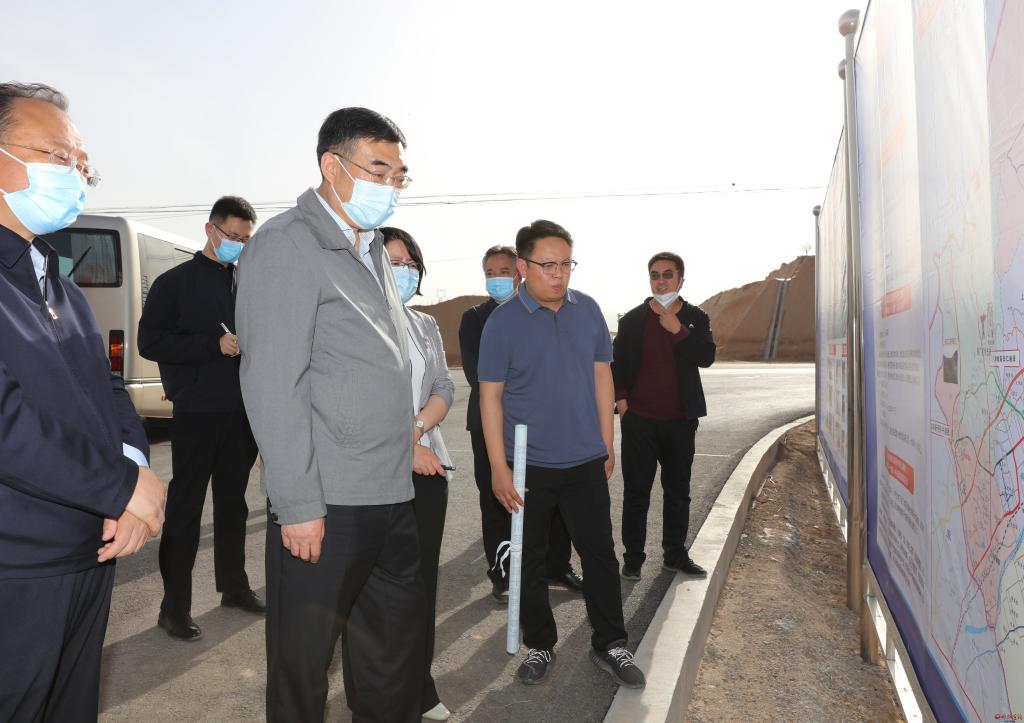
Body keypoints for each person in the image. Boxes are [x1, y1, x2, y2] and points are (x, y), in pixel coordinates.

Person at [236, 107, 425, 723]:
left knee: (389, 659)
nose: (389, 185)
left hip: (390, 494)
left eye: (398, 175)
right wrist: (297, 505)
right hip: (327, 502)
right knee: (304, 665)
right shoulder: (286, 244)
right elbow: (274, 383)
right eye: (379, 170)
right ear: (332, 166)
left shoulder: (372, 250)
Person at [0, 81, 166, 721]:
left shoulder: (60, 284)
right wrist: (118, 487)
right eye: (57, 156)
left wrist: (133, 478)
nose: (74, 175)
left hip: (89, 552)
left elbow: (107, 391)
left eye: (81, 165)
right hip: (16, 567)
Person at [478, 220, 645, 689]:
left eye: (566, 263)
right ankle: (540, 644)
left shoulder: (587, 310)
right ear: (523, 266)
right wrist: (498, 468)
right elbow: (490, 398)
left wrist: (607, 442)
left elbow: (602, 376)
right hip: (527, 466)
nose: (559, 273)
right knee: (530, 559)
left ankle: (610, 642)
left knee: (599, 555)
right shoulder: (502, 323)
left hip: (584, 459)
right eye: (548, 264)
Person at [138, 196, 264, 641]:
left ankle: (234, 587)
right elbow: (150, 342)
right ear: (210, 230)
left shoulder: (248, 283)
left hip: (242, 412)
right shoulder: (174, 283)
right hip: (196, 411)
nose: (238, 245)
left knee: (234, 504)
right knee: (186, 508)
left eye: (246, 240)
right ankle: (173, 608)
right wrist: (213, 345)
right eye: (232, 236)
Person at [459, 245, 583, 602]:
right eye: (490, 272)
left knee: (551, 497)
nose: (496, 278)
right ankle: (502, 573)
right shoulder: (474, 319)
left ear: (520, 272)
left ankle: (557, 565)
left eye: (504, 271)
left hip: (543, 424)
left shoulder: (544, 311)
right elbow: (478, 375)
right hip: (490, 424)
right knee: (496, 499)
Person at [382, 226, 455, 721]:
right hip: (375, 471)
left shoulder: (425, 324)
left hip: (427, 466)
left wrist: (415, 429)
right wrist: (401, 442)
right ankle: (379, 690)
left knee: (420, 584)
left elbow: (444, 385)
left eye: (411, 263)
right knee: (374, 590)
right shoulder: (353, 318)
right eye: (394, 262)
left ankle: (419, 685)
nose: (405, 271)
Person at [612, 252, 716, 580]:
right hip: (639, 421)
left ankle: (675, 554)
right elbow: (617, 364)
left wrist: (677, 330)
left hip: (680, 421)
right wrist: (623, 403)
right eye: (655, 275)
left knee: (677, 492)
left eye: (668, 275)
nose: (661, 281)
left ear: (681, 280)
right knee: (636, 493)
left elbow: (706, 356)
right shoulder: (632, 320)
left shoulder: (696, 317)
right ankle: (633, 558)